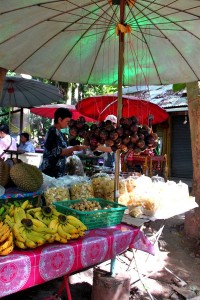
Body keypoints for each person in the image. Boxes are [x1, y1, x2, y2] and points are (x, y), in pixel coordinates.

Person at [40, 107, 86, 178]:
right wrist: (74, 148)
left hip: (58, 171)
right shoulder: (52, 131)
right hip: (50, 171)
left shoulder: (60, 132)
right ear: (60, 119)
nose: (68, 124)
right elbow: (56, 151)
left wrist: (67, 153)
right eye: (67, 121)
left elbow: (60, 152)